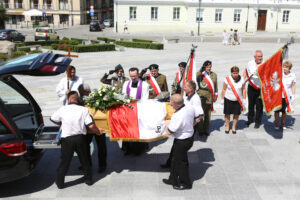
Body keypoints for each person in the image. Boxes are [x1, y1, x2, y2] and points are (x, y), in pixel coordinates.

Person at [50, 91, 104, 189]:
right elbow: (91, 125)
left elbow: (53, 118)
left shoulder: (62, 109)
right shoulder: (83, 110)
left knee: (65, 162)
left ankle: (60, 183)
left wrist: (61, 124)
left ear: (69, 99)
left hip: (67, 139)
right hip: (80, 139)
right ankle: (88, 180)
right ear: (77, 99)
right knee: (85, 160)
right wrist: (98, 131)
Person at [160, 80, 203, 169]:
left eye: (185, 87)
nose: (183, 87)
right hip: (184, 126)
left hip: (188, 128)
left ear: (191, 89)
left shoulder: (195, 99)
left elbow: (200, 115)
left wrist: (191, 125)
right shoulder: (187, 95)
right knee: (176, 147)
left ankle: (177, 167)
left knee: (180, 148)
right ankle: (170, 163)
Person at [162, 94, 196, 190]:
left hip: (182, 141)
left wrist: (164, 126)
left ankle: (186, 183)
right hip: (187, 137)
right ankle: (172, 179)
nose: (170, 105)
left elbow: (171, 130)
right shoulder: (189, 107)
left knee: (181, 162)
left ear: (177, 105)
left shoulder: (178, 115)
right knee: (174, 159)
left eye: (172, 104)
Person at [78, 83, 107, 173]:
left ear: (87, 91)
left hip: (99, 126)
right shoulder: (79, 100)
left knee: (101, 146)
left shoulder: (97, 98)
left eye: (82, 93)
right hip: (87, 127)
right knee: (85, 146)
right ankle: (87, 164)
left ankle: (102, 165)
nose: (80, 94)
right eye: (80, 93)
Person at [122, 67, 149, 155]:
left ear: (138, 75)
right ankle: (127, 149)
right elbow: (123, 96)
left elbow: (145, 99)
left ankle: (138, 149)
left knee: (138, 130)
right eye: (131, 76)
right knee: (127, 130)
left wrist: (136, 107)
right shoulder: (126, 83)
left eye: (134, 76)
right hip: (128, 110)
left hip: (139, 111)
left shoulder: (144, 85)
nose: (133, 78)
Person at [221, 66, 246, 134]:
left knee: (236, 114)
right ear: (231, 73)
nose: (235, 74)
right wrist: (222, 99)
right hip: (228, 99)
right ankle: (227, 126)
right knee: (227, 114)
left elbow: (244, 89)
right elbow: (224, 89)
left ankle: (234, 127)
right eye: (234, 73)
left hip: (237, 100)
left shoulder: (242, 79)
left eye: (236, 73)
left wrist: (244, 99)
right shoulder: (227, 79)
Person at [196, 60, 218, 136]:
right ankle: (200, 130)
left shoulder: (214, 75)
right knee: (200, 113)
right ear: (204, 67)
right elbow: (194, 77)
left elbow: (215, 86)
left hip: (210, 96)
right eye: (207, 67)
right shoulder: (201, 74)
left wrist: (216, 95)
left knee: (208, 114)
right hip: (201, 96)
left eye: (210, 67)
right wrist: (201, 70)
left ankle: (206, 130)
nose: (209, 68)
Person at [243, 50, 263, 128]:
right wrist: (243, 80)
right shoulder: (250, 63)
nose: (260, 58)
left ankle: (257, 121)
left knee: (259, 106)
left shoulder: (265, 64)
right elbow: (246, 71)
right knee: (251, 104)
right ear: (255, 57)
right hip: (251, 87)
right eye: (258, 56)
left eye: (261, 56)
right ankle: (250, 119)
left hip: (260, 88)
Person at [274, 61, 296, 130]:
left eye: (286, 67)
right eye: (284, 67)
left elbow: (293, 86)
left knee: (284, 111)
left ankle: (283, 124)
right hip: (278, 96)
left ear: (289, 68)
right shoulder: (280, 74)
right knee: (277, 111)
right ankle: (276, 124)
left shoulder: (293, 75)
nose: (284, 68)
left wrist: (293, 95)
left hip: (287, 96)